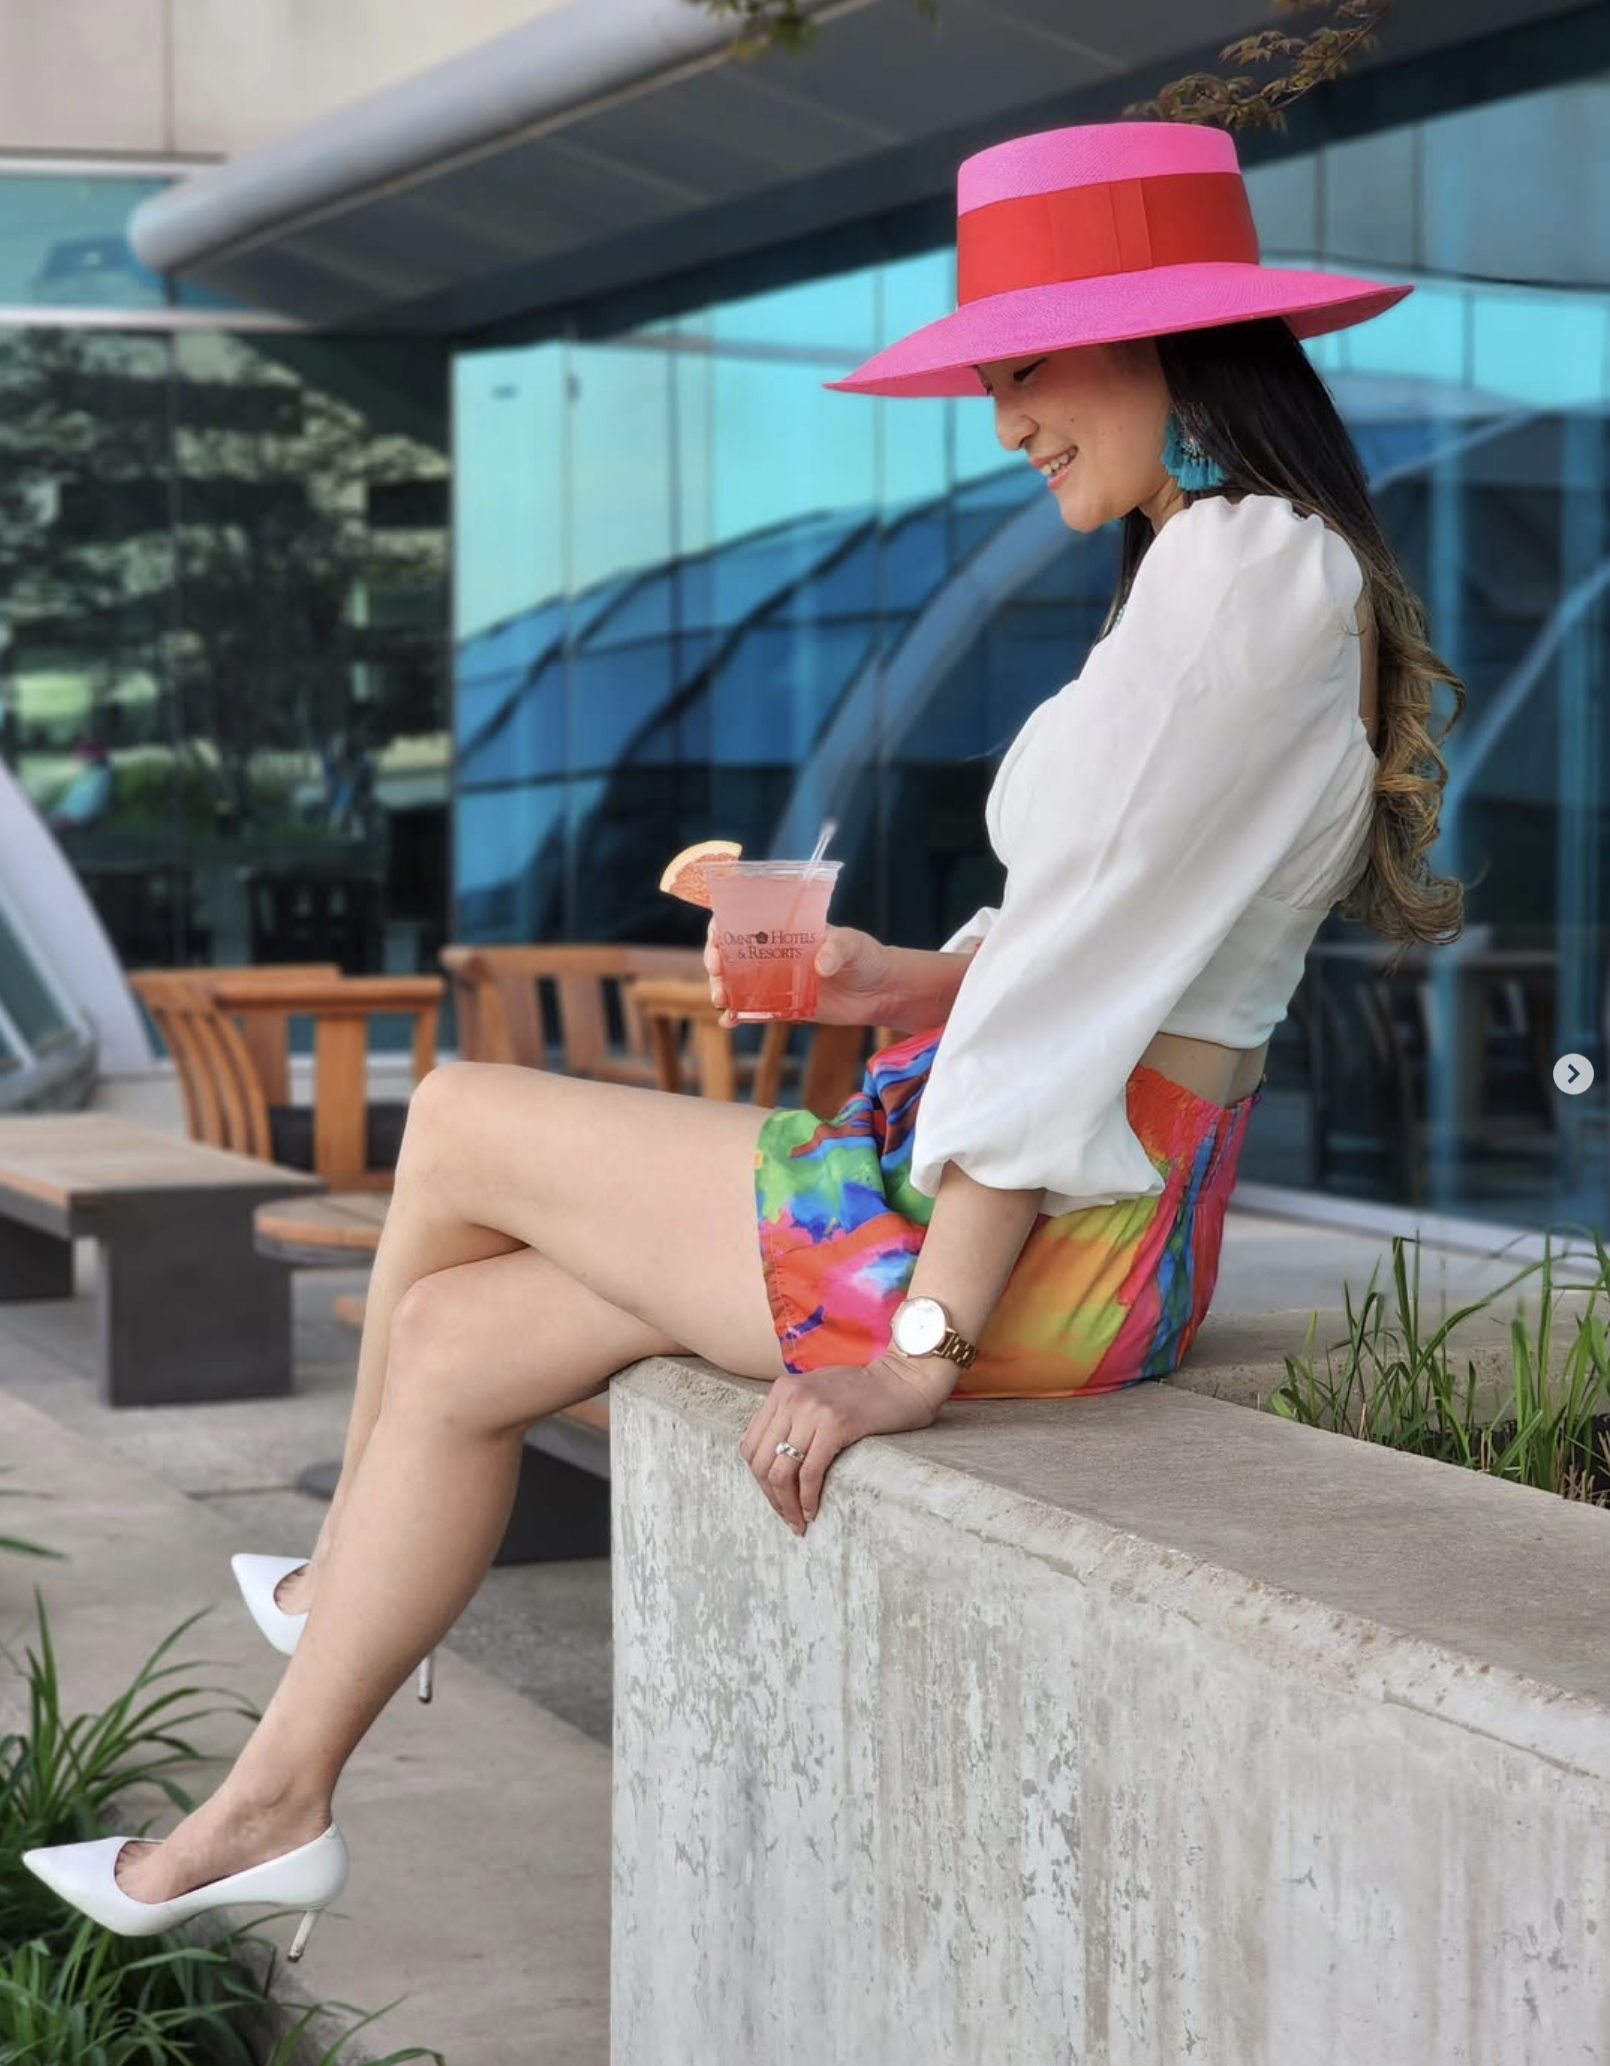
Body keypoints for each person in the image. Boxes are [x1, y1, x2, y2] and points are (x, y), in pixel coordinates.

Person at [24, 118, 1466, 1953]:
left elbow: (1082, 997)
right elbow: (1106, 949)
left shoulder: (1235, 579)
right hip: (1077, 1229)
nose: (1004, 417)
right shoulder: (1246, 571)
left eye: (1024, 368)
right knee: (464, 1337)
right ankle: (274, 1798)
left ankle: (336, 1587)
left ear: (1167, 340)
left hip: (1038, 1260)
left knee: (460, 1114)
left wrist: (919, 1354)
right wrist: (892, 976)